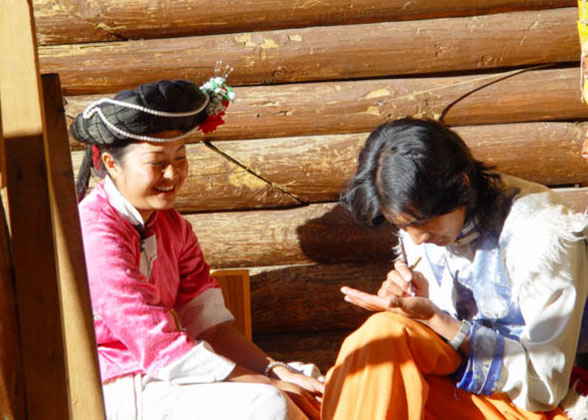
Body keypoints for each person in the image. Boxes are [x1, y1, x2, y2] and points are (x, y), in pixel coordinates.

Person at [71, 76, 323, 420]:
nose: (173, 174)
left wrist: (275, 371)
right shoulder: (94, 230)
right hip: (114, 385)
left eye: (181, 158)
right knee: (268, 405)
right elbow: (152, 342)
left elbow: (211, 327)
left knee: (307, 380)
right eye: (157, 162)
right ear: (111, 163)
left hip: (166, 374)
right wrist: (262, 385)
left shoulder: (174, 226)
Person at [321, 118, 588, 419]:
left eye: (421, 222)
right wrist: (413, 309)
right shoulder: (426, 230)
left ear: (461, 185)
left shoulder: (539, 231)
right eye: (403, 227)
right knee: (382, 338)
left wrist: (436, 318)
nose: (417, 238)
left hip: (541, 408)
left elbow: (545, 386)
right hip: (463, 394)